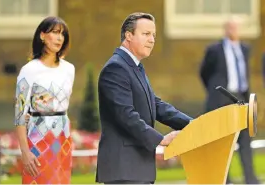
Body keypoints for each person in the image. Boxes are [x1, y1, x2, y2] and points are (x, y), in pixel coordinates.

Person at [95, 12, 193, 184]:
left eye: (153, 35)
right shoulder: (116, 68)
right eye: (146, 34)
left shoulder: (134, 66)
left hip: (136, 168)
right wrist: (161, 139)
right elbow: (125, 115)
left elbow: (156, 105)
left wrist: (193, 125)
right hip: (124, 168)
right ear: (128, 35)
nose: (152, 40)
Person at [14, 16, 75, 184]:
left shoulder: (69, 69)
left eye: (62, 34)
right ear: (42, 36)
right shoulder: (29, 70)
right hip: (37, 137)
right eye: (55, 32)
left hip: (63, 138)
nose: (59, 38)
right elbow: (19, 114)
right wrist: (25, 152)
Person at [200, 17, 259, 184]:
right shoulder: (214, 50)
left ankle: (251, 179)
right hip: (221, 100)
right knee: (222, 143)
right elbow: (204, 73)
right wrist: (214, 91)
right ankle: (224, 180)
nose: (233, 31)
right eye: (230, 28)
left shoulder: (245, 49)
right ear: (225, 29)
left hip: (241, 99)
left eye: (236, 28)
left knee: (246, 139)